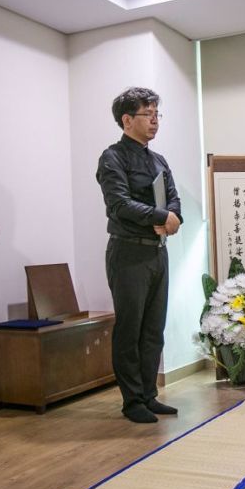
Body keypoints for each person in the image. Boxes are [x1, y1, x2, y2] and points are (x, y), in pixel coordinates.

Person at [96, 87, 182, 424]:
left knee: (153, 330)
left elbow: (173, 198)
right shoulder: (112, 157)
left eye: (157, 114)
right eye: (148, 114)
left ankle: (149, 395)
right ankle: (132, 401)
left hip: (157, 254)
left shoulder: (158, 159)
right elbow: (118, 204)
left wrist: (172, 218)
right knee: (129, 330)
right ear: (127, 119)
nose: (155, 121)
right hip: (128, 253)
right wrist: (161, 218)